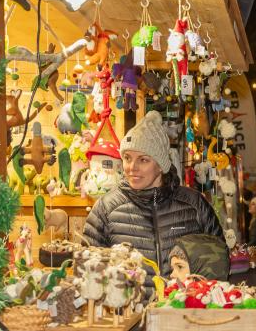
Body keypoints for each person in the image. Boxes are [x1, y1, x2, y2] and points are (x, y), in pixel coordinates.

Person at [83, 111, 224, 291]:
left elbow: (218, 262)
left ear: (161, 165)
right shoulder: (106, 208)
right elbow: (89, 269)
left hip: (183, 313)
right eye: (127, 158)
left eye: (143, 160)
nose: (132, 168)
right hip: (128, 316)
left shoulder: (194, 204)